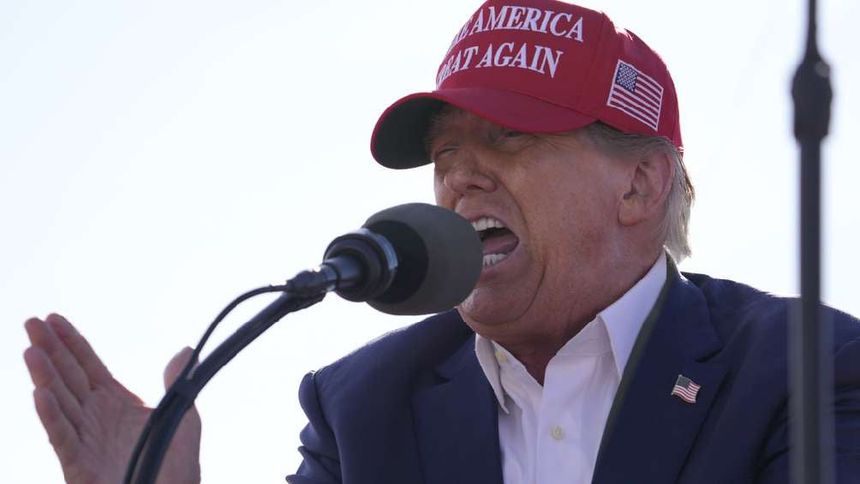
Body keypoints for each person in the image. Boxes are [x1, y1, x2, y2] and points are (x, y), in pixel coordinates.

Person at [24, 0, 860, 483]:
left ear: (639, 184)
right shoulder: (360, 407)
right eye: (444, 155)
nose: (460, 178)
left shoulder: (807, 367)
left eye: (508, 139)